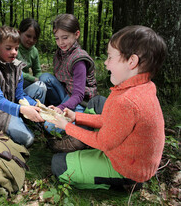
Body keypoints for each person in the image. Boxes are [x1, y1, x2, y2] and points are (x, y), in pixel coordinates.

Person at [50, 25, 167, 190]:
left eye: (110, 57)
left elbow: (103, 142)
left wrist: (67, 126)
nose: (105, 63)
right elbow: (108, 120)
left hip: (127, 167)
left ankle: (126, 183)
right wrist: (76, 117)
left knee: (58, 165)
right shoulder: (141, 87)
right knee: (98, 101)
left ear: (131, 62)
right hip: (127, 153)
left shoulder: (127, 101)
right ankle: (84, 147)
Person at [0, 26, 44, 147]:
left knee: (41, 87)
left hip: (13, 108)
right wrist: (21, 110)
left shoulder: (17, 67)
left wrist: (37, 105)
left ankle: (30, 120)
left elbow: (20, 95)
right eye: (9, 48)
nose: (14, 52)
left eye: (16, 48)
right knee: (28, 140)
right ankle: (16, 125)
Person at [39, 14, 97, 151]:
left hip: (79, 99)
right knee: (45, 77)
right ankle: (47, 109)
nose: (61, 42)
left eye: (65, 38)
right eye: (57, 38)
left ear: (76, 34)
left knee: (49, 126)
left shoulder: (79, 60)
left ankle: (79, 125)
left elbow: (78, 95)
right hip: (66, 93)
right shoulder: (60, 54)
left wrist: (61, 108)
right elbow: (61, 79)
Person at [17, 18, 47, 103]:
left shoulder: (34, 51)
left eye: (35, 38)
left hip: (26, 84)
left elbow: (37, 70)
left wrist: (39, 79)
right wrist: (34, 79)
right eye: (28, 36)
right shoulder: (14, 48)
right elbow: (16, 71)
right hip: (14, 83)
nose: (31, 40)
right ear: (19, 33)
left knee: (42, 86)